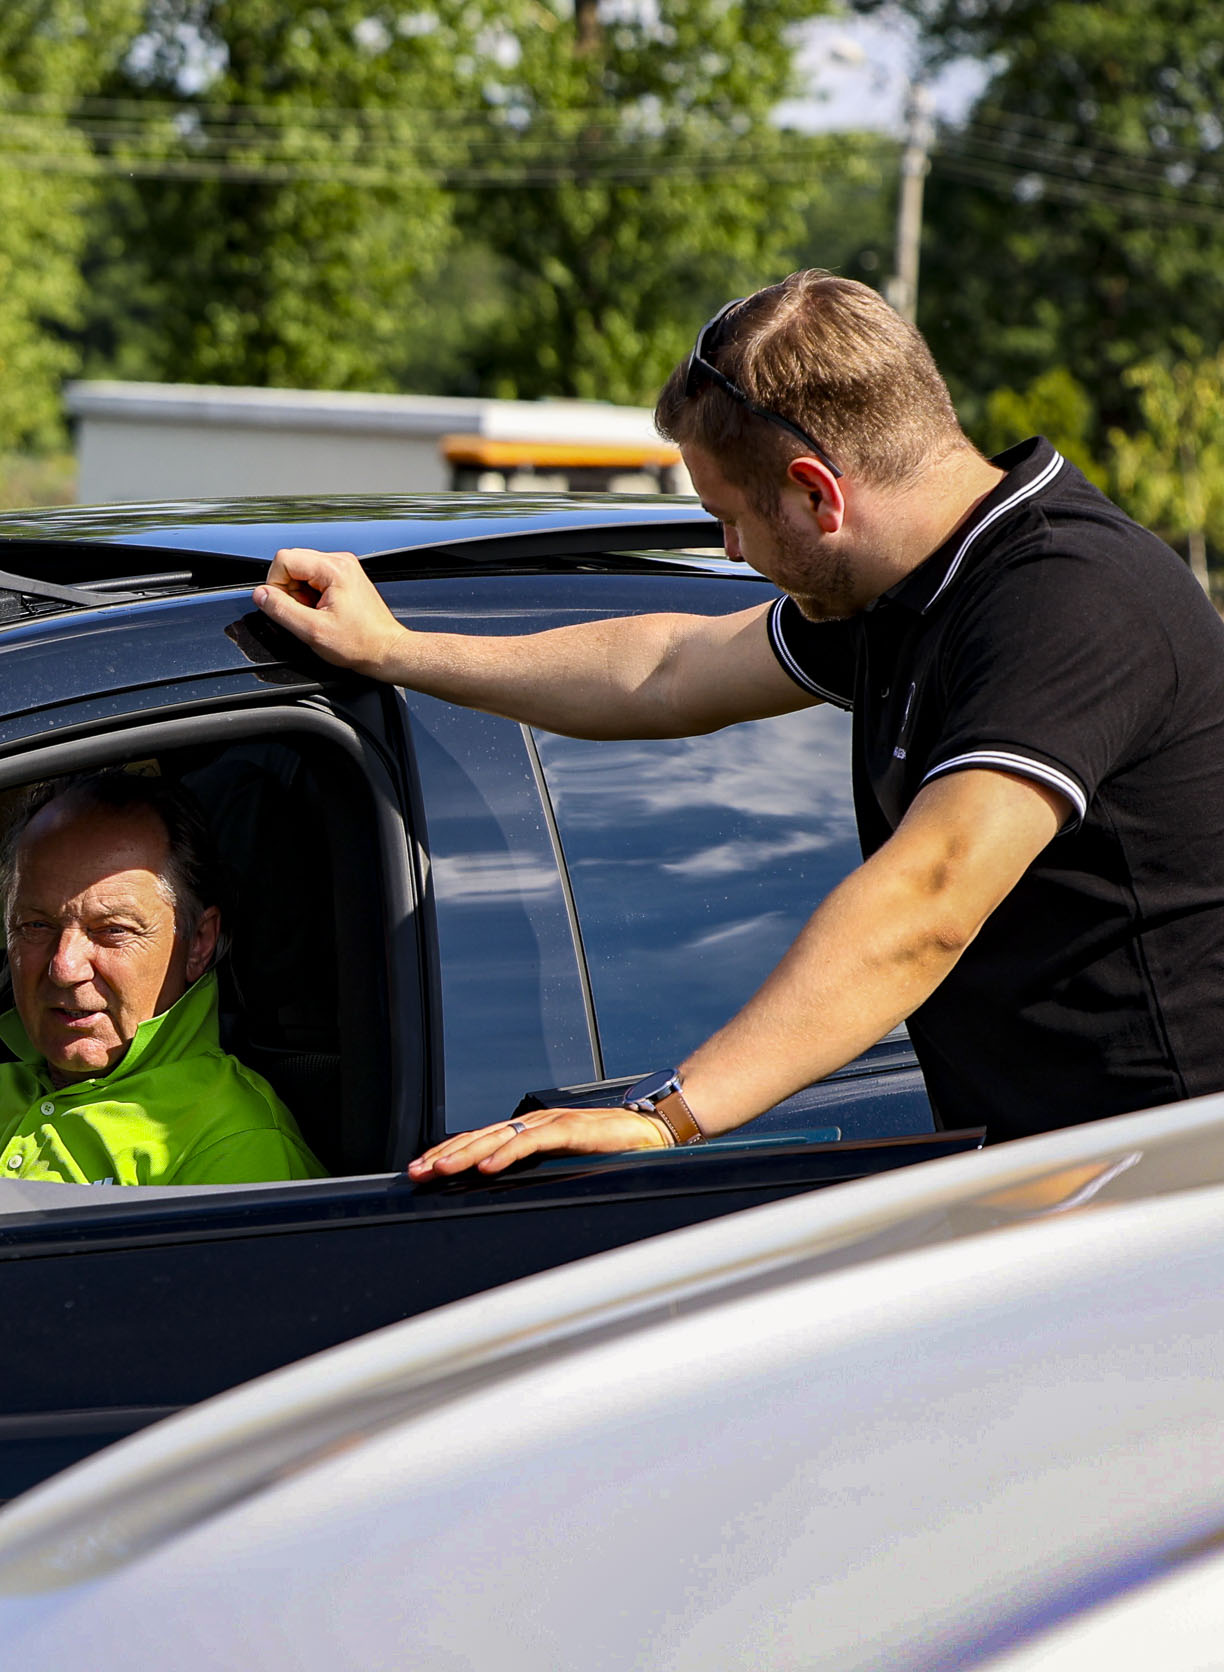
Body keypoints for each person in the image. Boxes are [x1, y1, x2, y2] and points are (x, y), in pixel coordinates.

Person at [255, 270, 1224, 1176]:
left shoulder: (1066, 599)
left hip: (1174, 1189)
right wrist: (394, 650)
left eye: (730, 517)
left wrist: (669, 1113)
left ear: (817, 490)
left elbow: (930, 895)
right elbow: (668, 672)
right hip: (1061, 1175)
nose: (729, 549)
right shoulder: (910, 590)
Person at [0, 769, 324, 1186]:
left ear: (198, 942)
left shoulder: (233, 1141)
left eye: (113, 930)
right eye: (35, 925)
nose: (65, 968)